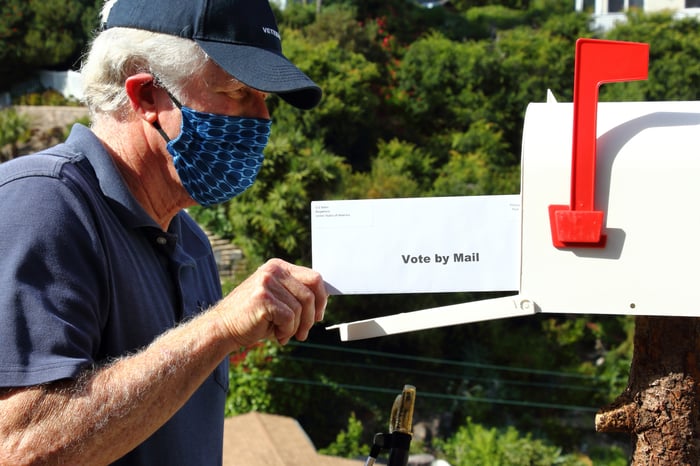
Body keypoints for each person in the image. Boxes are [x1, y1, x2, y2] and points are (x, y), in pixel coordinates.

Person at [0, 0, 328, 464]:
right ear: (147, 95)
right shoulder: (42, 204)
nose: (262, 118)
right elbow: (16, 449)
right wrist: (218, 329)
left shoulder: (191, 243)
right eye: (237, 91)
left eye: (265, 99)